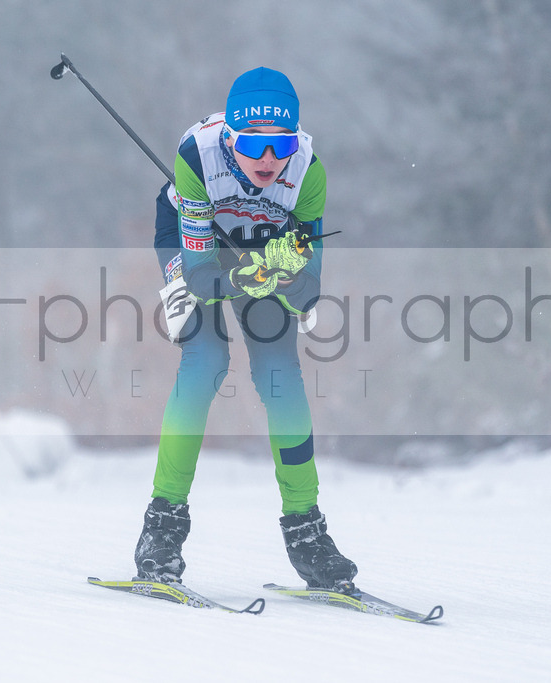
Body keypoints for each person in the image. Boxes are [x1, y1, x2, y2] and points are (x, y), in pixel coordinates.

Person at [135, 66, 358, 592]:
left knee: (280, 372)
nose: (266, 160)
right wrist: (242, 275)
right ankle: (161, 531)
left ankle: (307, 533)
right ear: (228, 138)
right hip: (194, 243)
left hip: (263, 244)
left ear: (294, 141)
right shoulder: (195, 155)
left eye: (279, 145)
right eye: (250, 145)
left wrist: (282, 273)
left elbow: (308, 285)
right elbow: (199, 273)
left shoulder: (309, 173)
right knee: (207, 359)